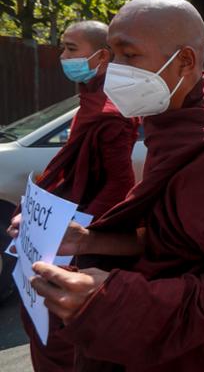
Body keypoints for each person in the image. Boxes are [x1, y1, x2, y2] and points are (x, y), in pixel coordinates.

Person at [29, 0, 204, 372]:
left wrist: (112, 298)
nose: (113, 71)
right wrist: (89, 240)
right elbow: (167, 238)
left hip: (193, 355)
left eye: (129, 56)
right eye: (112, 56)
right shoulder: (169, 124)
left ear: (185, 61)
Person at [6, 20, 139, 372]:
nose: (63, 56)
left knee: (61, 336)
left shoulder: (112, 113)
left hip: (78, 235)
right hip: (67, 223)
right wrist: (35, 209)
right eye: (63, 48)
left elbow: (117, 186)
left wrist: (71, 230)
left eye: (70, 48)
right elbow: (70, 167)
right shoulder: (91, 101)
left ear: (102, 56)